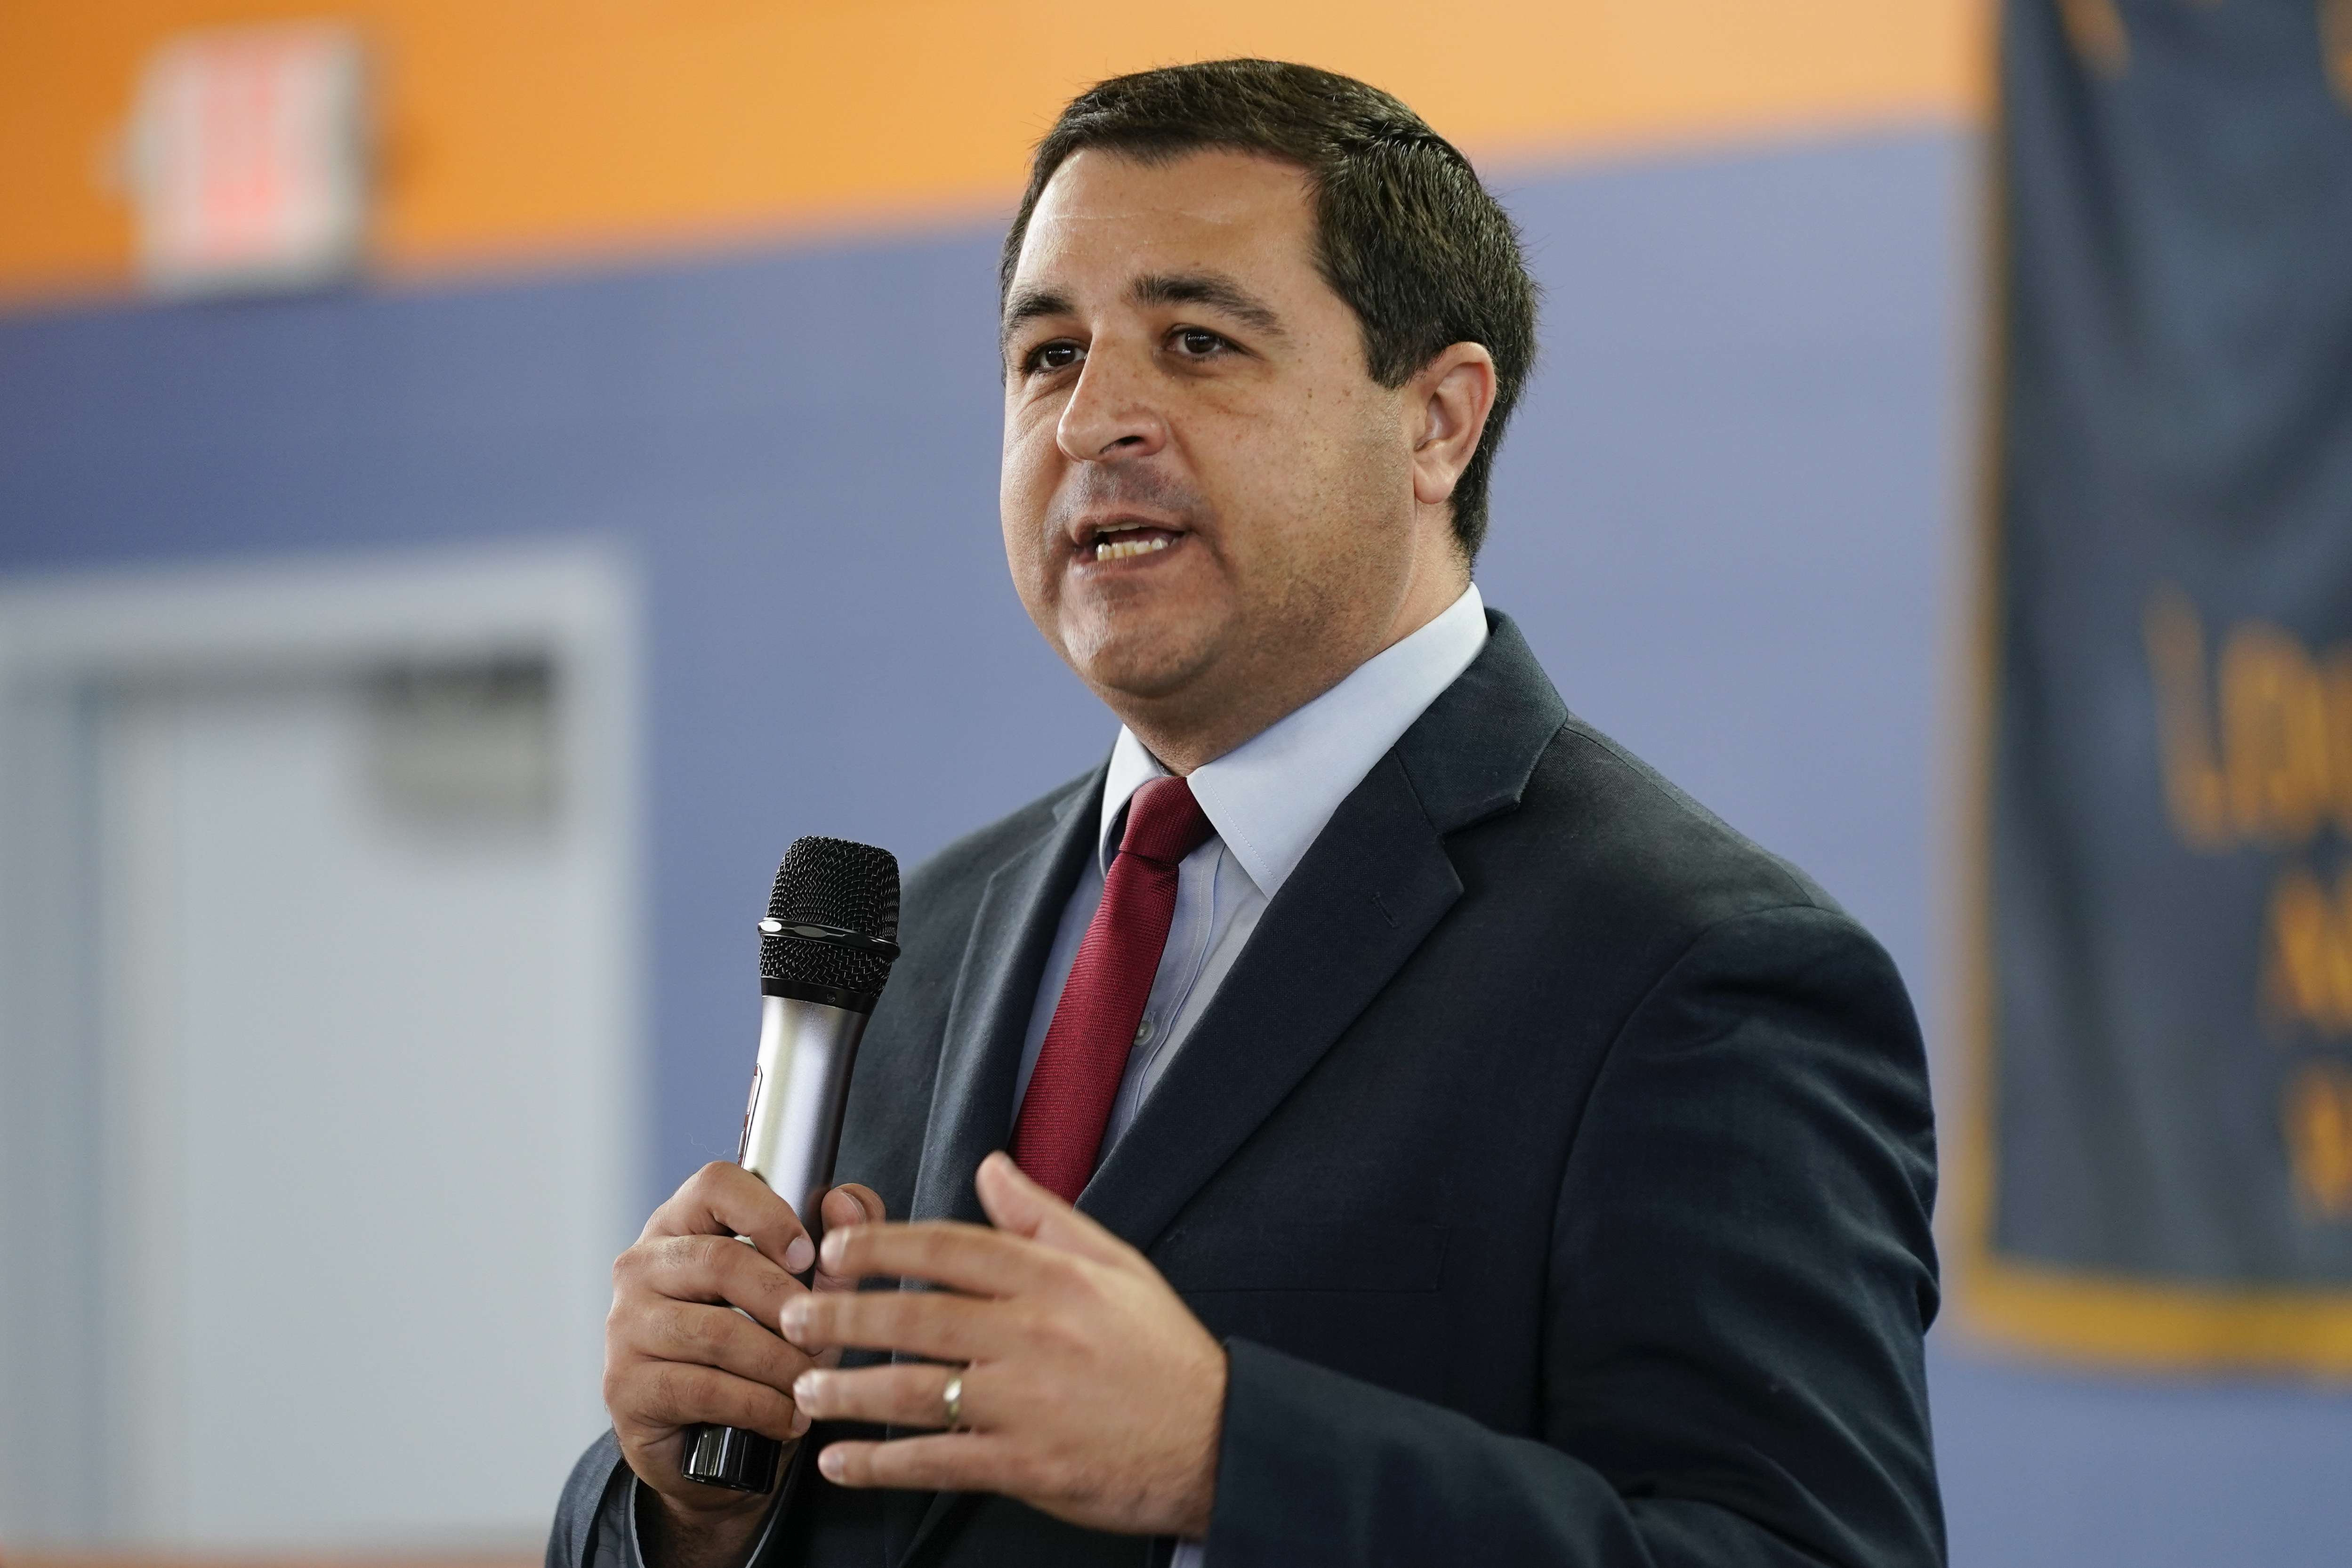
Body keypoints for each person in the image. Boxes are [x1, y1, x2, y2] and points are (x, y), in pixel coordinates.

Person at [551, 58, 1943, 1568]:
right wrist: (690, 1511)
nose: (1092, 421)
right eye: (1046, 354)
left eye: (1196, 341)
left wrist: (1229, 1453)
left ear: (1436, 425)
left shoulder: (1700, 974)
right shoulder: (919, 944)